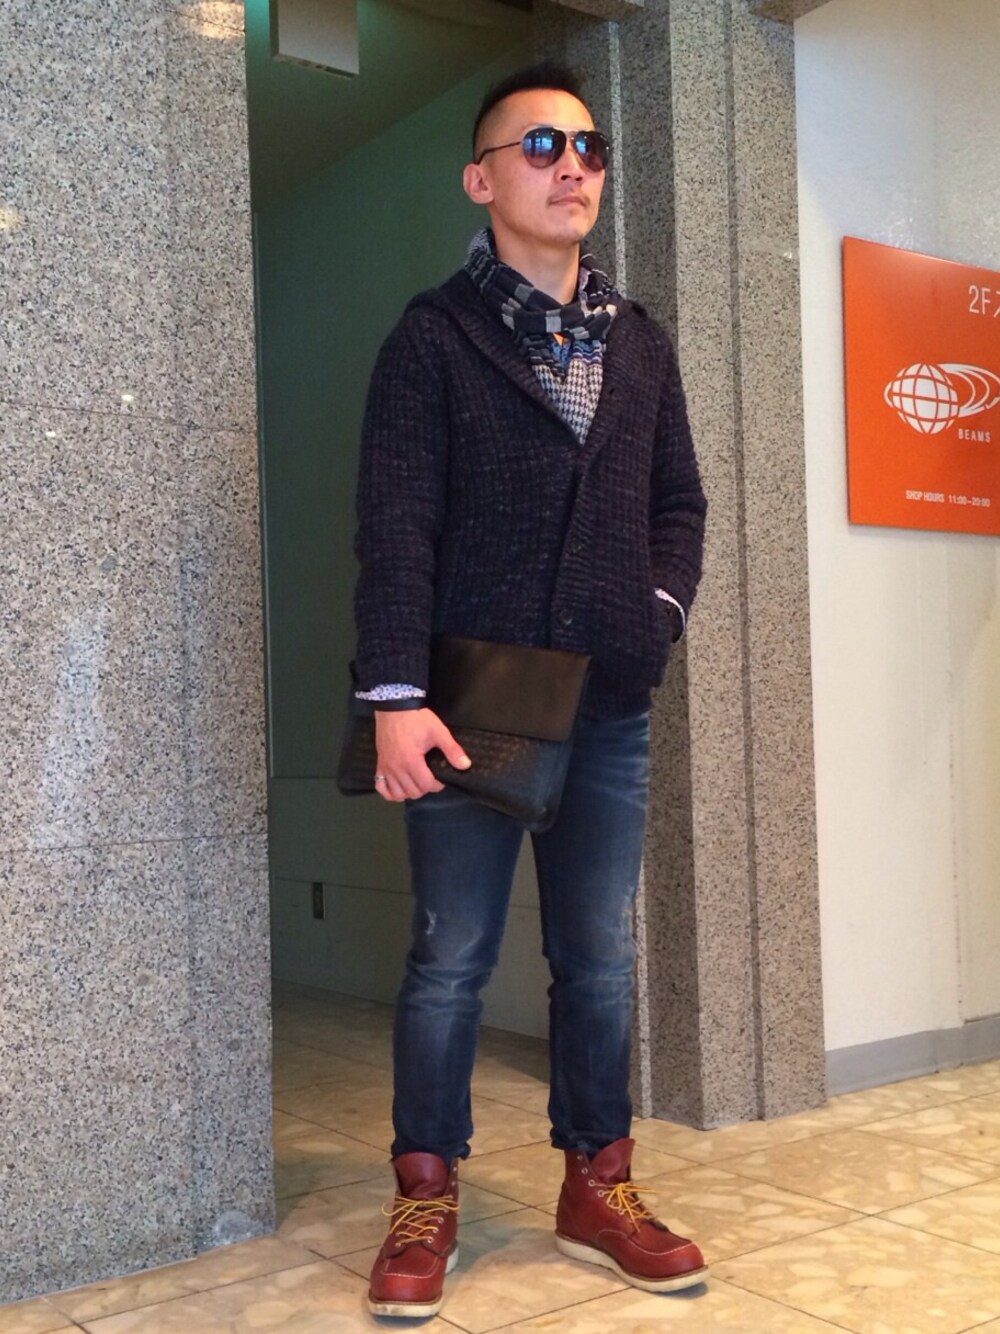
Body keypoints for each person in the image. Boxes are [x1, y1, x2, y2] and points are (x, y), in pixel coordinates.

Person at [350, 62, 708, 1321]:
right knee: (450, 954)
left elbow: (678, 503)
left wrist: (655, 616)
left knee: (599, 955)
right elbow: (397, 525)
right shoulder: (431, 337)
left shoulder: (640, 341)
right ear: (480, 178)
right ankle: (426, 1188)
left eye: (589, 147)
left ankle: (596, 1179)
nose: (573, 166)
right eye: (542, 145)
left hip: (606, 695)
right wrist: (394, 693)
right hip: (466, 699)